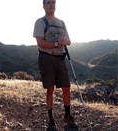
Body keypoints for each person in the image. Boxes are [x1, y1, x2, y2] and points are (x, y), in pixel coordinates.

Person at [32, 0, 76, 129]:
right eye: (48, 3)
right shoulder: (40, 22)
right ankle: (51, 119)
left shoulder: (61, 23)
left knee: (66, 87)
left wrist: (64, 41)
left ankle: (67, 115)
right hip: (46, 58)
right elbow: (40, 42)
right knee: (50, 89)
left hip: (61, 58)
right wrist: (56, 44)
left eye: (53, 2)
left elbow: (69, 41)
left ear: (55, 5)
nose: (51, 5)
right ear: (44, 6)